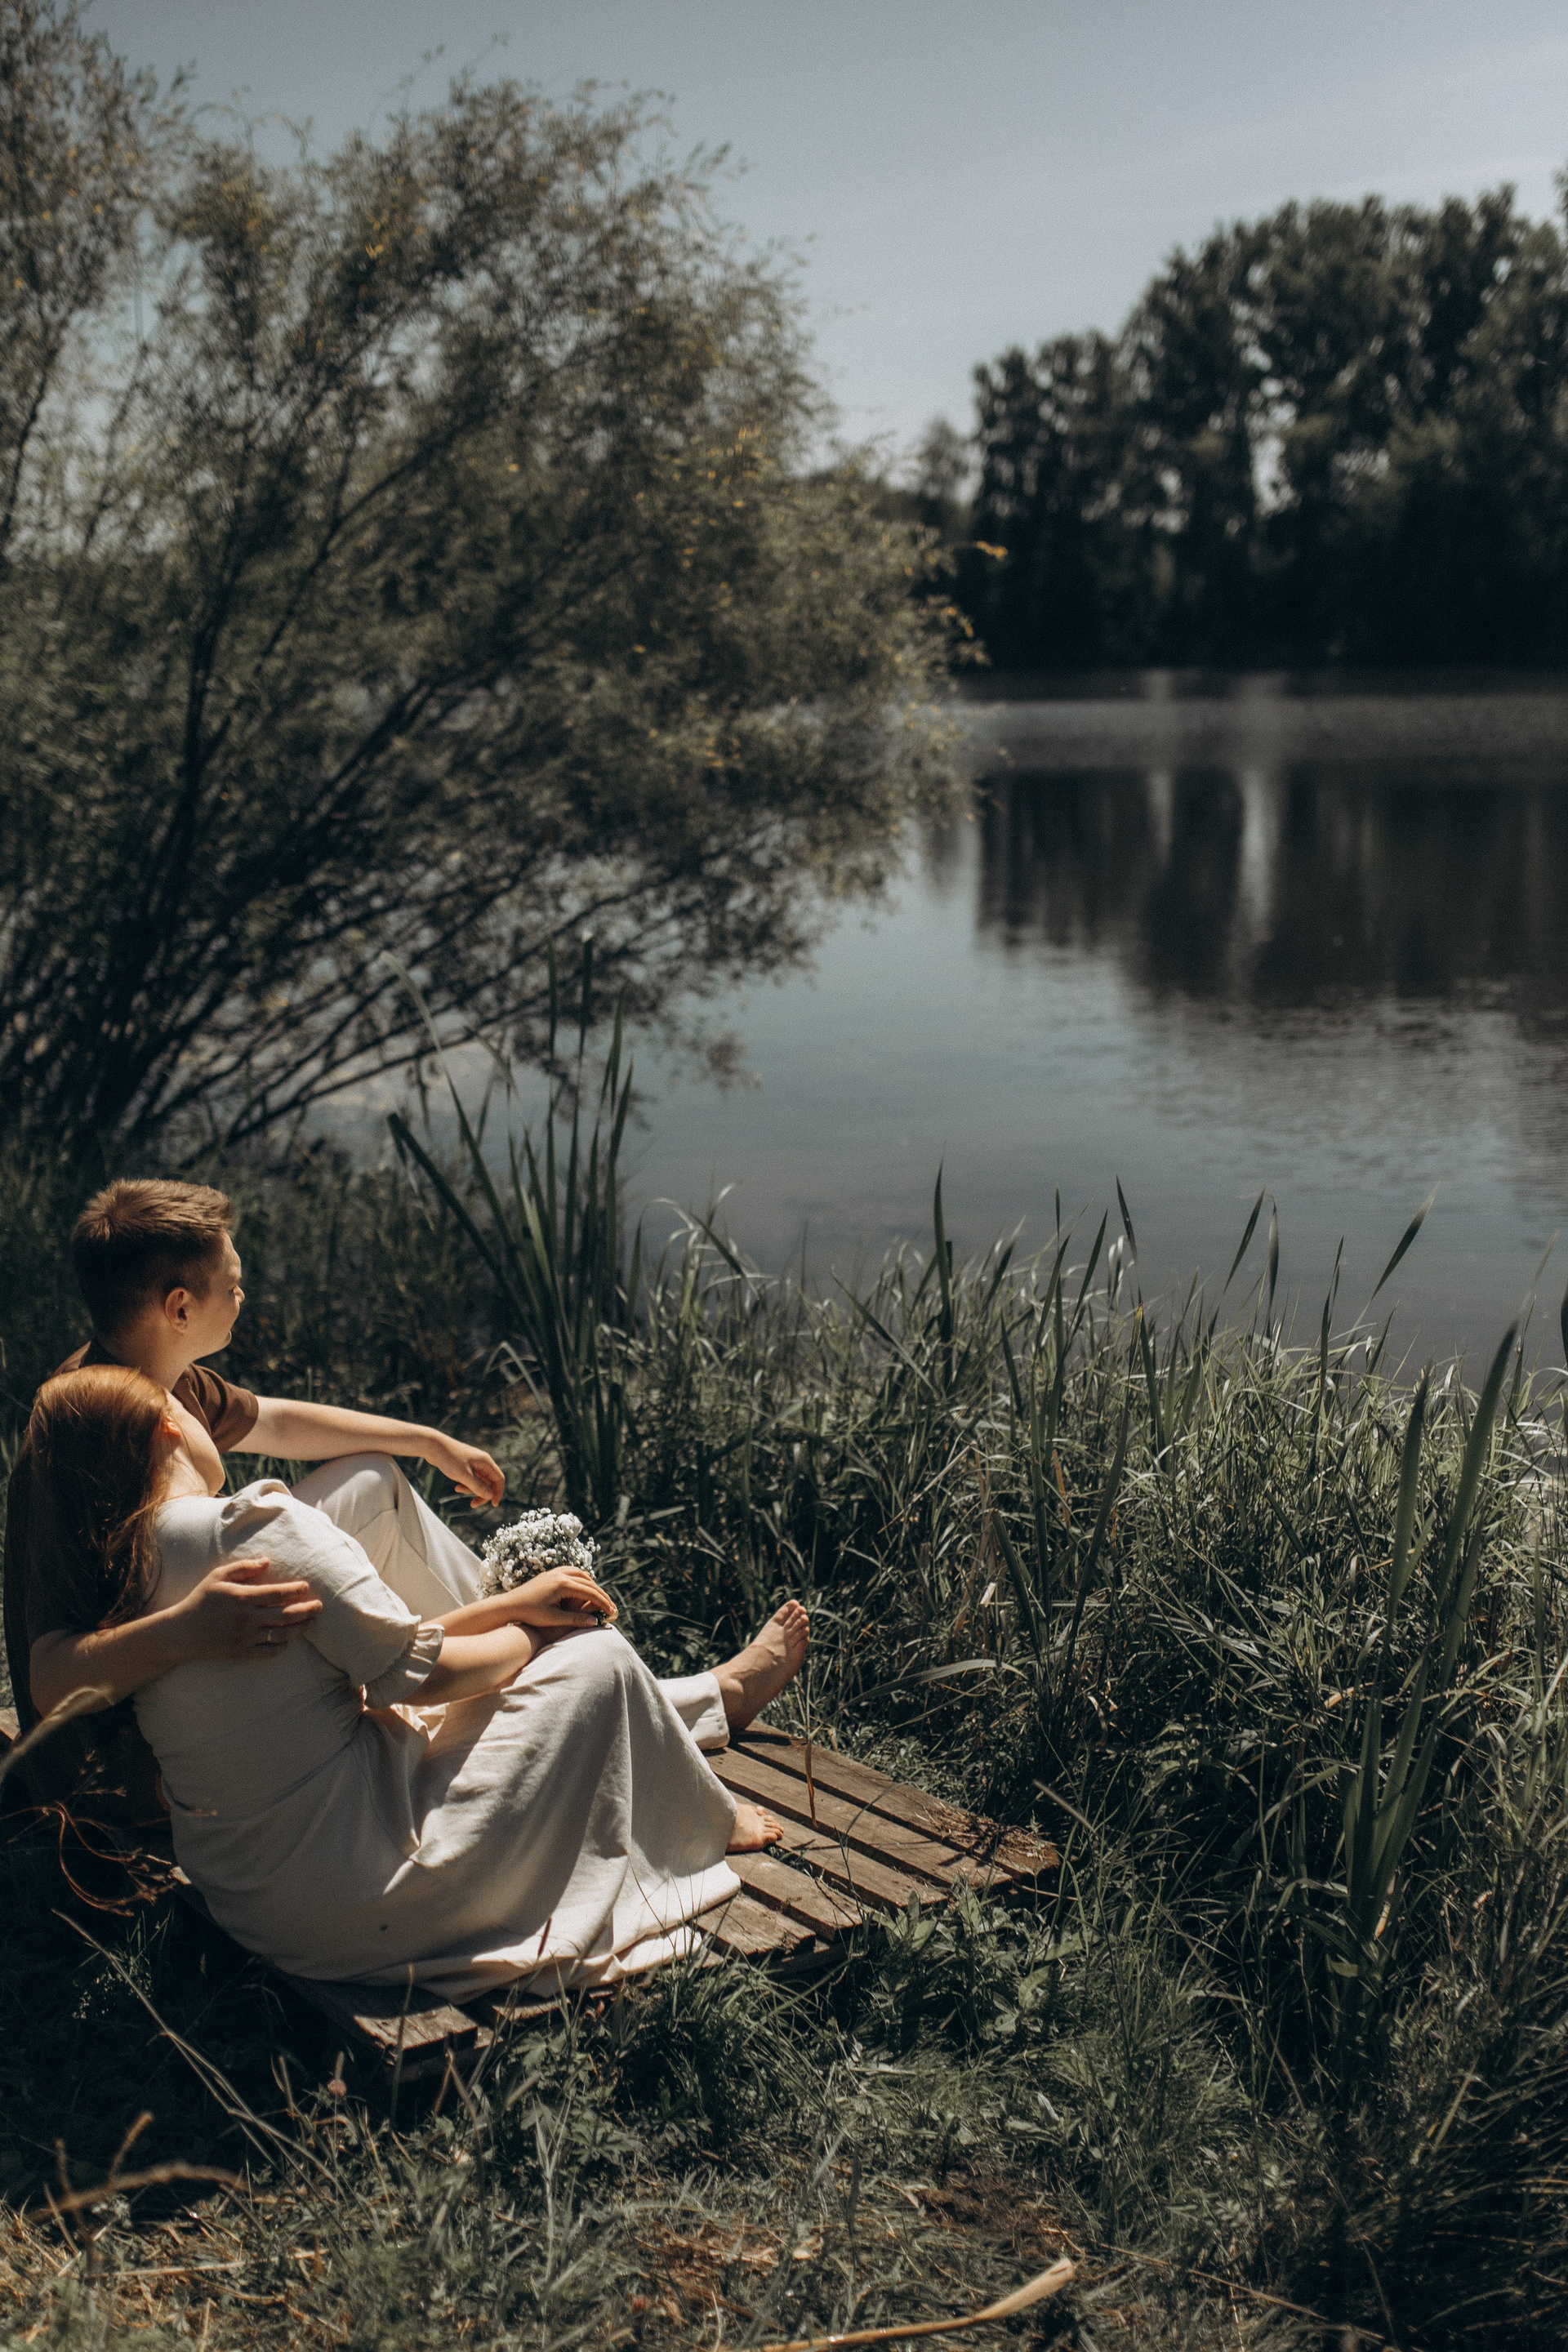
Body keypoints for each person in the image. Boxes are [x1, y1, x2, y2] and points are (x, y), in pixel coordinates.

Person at [24, 1364, 809, 1995]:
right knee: (598, 1660)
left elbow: (379, 1660)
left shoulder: (119, 1574)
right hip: (362, 1892)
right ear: (170, 1425)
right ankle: (701, 1818)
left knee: (460, 1703)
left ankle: (699, 1731)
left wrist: (510, 1607)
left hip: (256, 1902)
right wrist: (535, 1634)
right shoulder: (256, 1527)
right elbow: (424, 1678)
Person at [4, 1177, 507, 1771]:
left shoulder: (166, 1371)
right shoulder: (88, 1424)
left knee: (372, 1483)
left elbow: (277, 1423)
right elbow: (50, 1675)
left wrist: (428, 1442)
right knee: (367, 1500)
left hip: (197, 1631)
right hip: (139, 1741)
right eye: (232, 1286)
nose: (242, 1297)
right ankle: (514, 1645)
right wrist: (188, 1629)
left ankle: (492, 1628)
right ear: (180, 1308)